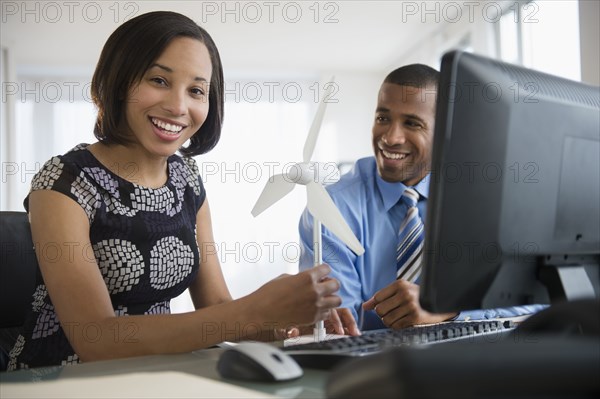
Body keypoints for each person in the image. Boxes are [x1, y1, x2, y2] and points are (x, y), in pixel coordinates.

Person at [3, 11, 342, 371]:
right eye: (159, 80)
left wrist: (285, 324)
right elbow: (97, 340)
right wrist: (255, 308)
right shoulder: (63, 181)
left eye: (196, 90)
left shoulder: (187, 179)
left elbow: (215, 308)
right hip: (62, 381)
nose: (179, 107)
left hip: (154, 376)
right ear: (120, 83)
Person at [299, 64, 542, 331]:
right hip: (374, 366)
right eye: (383, 118)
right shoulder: (331, 209)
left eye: (412, 123)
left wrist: (447, 311)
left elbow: (536, 303)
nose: (390, 138)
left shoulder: (486, 198)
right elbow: (341, 330)